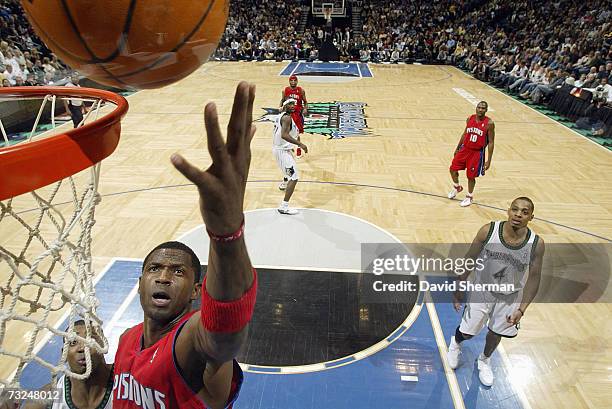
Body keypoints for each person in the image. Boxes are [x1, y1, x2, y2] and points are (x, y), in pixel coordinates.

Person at [112, 82, 258, 408]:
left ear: (196, 290)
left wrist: (226, 233)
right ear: (139, 283)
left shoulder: (189, 341)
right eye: (155, 268)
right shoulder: (125, 341)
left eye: (178, 271)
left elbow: (223, 335)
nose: (163, 277)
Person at [447, 197, 545, 386]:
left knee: (495, 333)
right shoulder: (488, 230)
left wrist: (522, 309)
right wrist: (459, 286)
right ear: (508, 211)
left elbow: (534, 278)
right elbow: (470, 258)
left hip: (510, 296)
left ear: (531, 217)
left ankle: (484, 359)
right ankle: (456, 343)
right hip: (481, 290)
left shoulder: (536, 244)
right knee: (468, 333)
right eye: (515, 209)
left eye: (524, 212)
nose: (518, 214)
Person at [23, 320, 113, 409]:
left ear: (104, 346)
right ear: (64, 354)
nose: (82, 348)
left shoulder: (125, 377)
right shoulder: (42, 401)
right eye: (73, 342)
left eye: (90, 339)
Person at [448, 101, 495, 207]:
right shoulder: (470, 118)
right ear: (476, 108)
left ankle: (469, 196)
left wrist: (488, 161)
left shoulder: (489, 123)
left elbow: (491, 142)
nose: (480, 109)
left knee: (470, 176)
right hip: (465, 149)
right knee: (452, 169)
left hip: (477, 153)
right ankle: (457, 187)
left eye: (483, 108)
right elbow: (465, 134)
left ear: (486, 110)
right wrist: (457, 148)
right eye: (479, 107)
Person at [273, 98, 308, 215]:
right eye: (290, 104)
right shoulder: (287, 118)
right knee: (294, 177)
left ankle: (284, 183)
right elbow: (284, 135)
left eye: (294, 104)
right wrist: (300, 144)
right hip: (282, 151)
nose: (293, 106)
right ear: (285, 105)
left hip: (283, 149)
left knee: (290, 171)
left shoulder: (282, 115)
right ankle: (284, 206)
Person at [280, 74, 308, 158]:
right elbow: (282, 100)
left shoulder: (301, 91)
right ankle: (289, 146)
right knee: (286, 131)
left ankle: (298, 148)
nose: (293, 82)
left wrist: (305, 108)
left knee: (296, 132)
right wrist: (280, 107)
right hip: (288, 113)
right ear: (289, 81)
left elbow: (306, 102)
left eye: (294, 80)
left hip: (297, 113)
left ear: (297, 81)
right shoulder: (285, 90)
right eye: (291, 80)